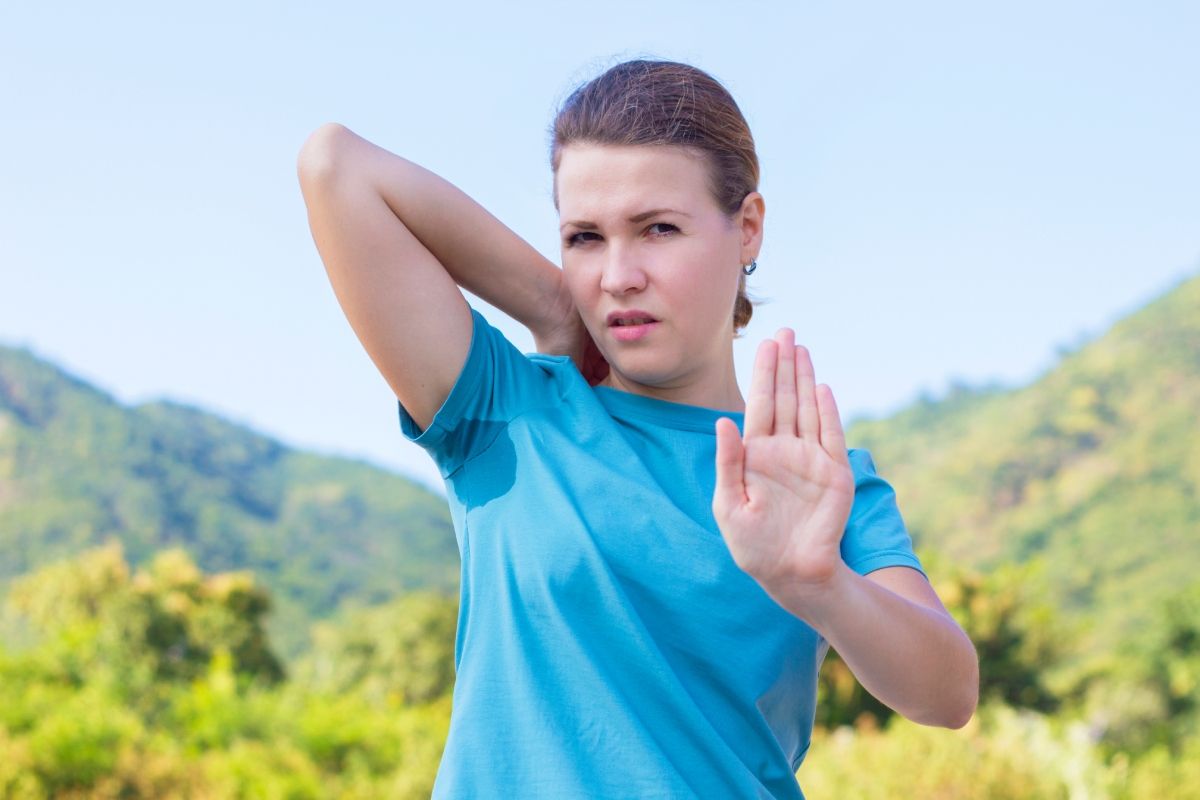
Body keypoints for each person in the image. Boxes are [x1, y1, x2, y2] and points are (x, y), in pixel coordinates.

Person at [297, 58, 978, 799]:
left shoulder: (811, 476)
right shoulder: (506, 411)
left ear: (746, 228)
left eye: (657, 228)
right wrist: (555, 308)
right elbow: (335, 167)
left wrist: (818, 583)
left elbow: (947, 694)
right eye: (585, 237)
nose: (619, 275)